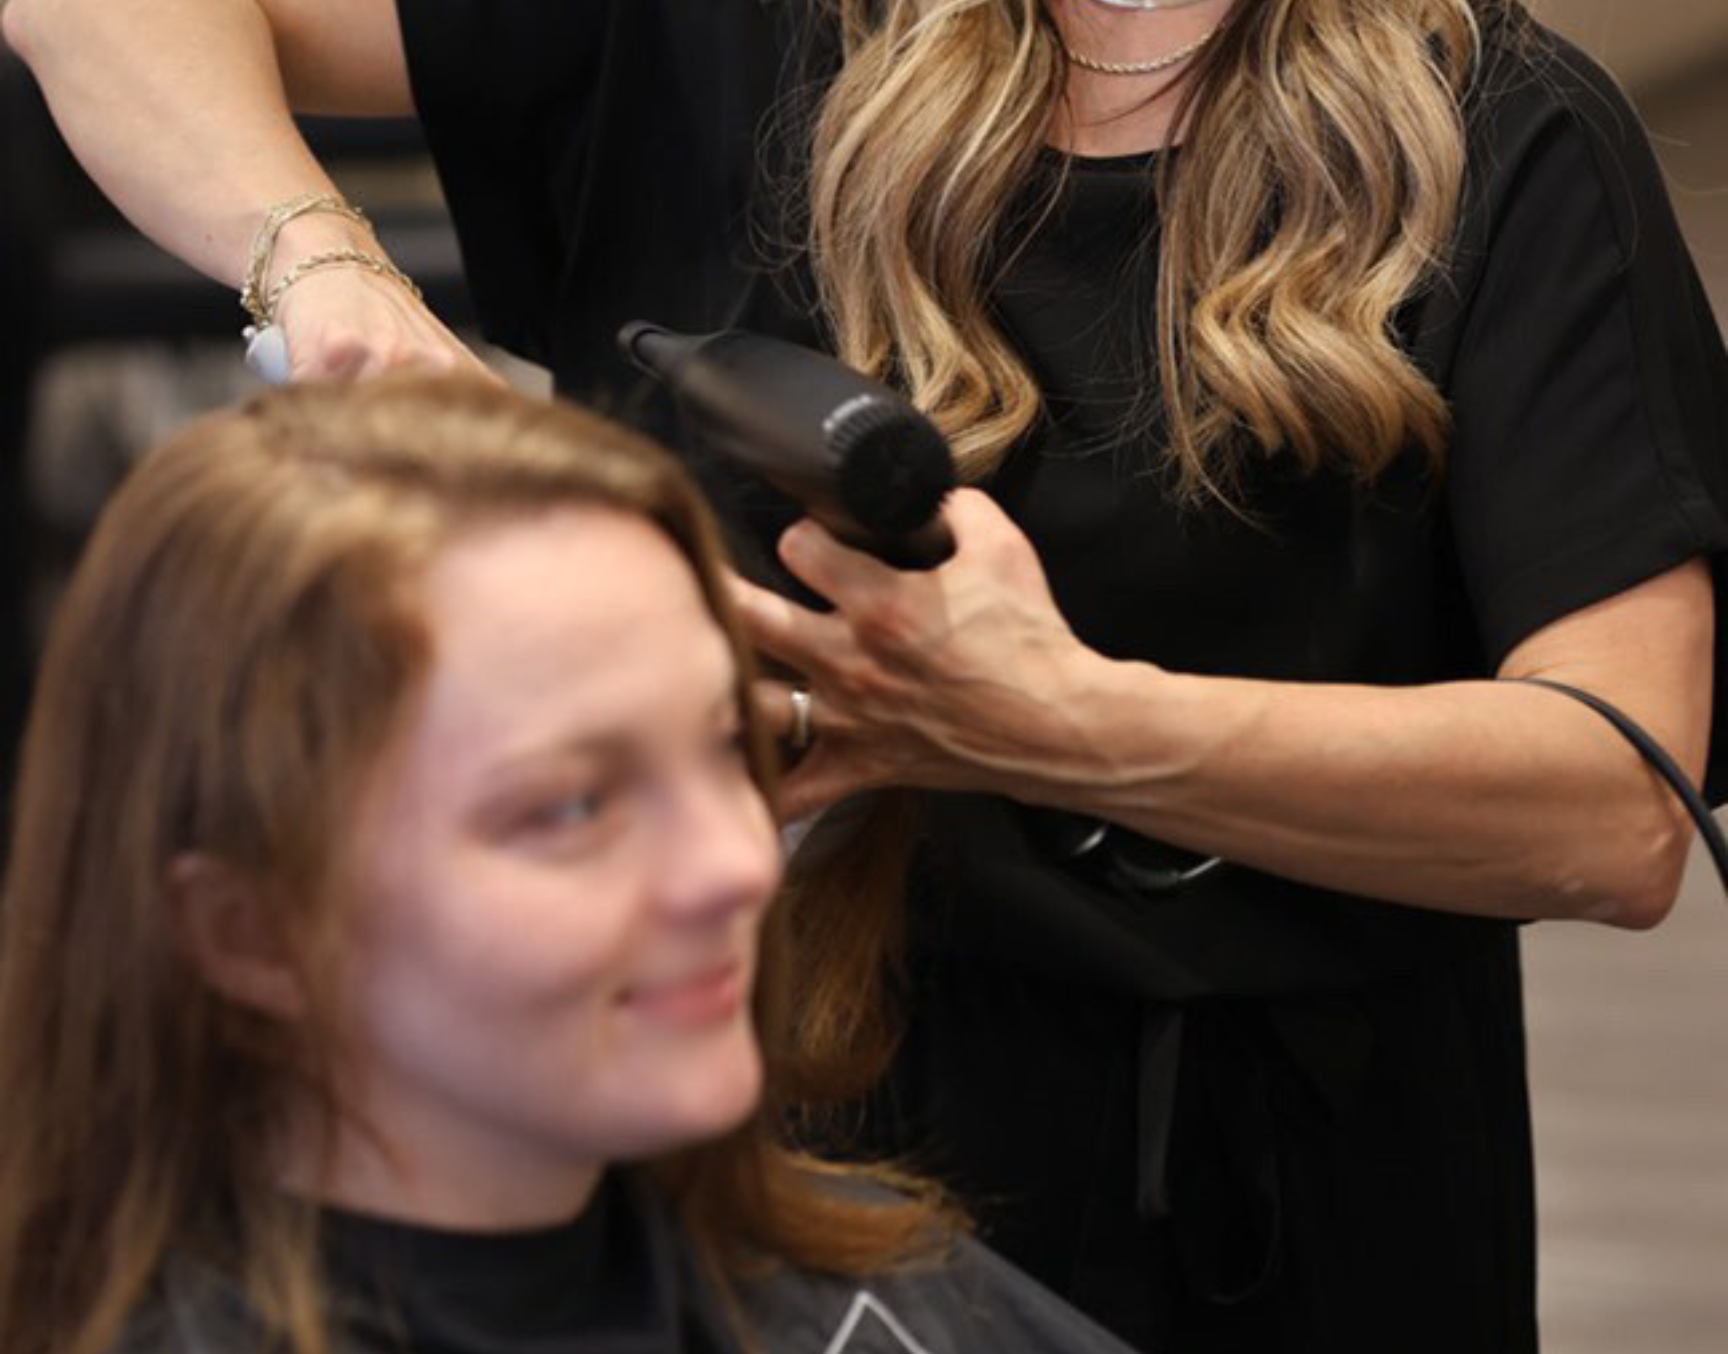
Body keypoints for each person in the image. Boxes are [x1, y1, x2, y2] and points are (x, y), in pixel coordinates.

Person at [5, 0, 1725, 1351]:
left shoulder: (1507, 145)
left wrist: (1079, 728)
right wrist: (335, 291)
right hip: (733, 1173)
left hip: (1272, 1236)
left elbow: (1617, 802)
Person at [0, 372, 1134, 1354]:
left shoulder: (884, 1301)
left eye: (725, 746)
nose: (738, 868)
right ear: (252, 932)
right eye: (572, 807)